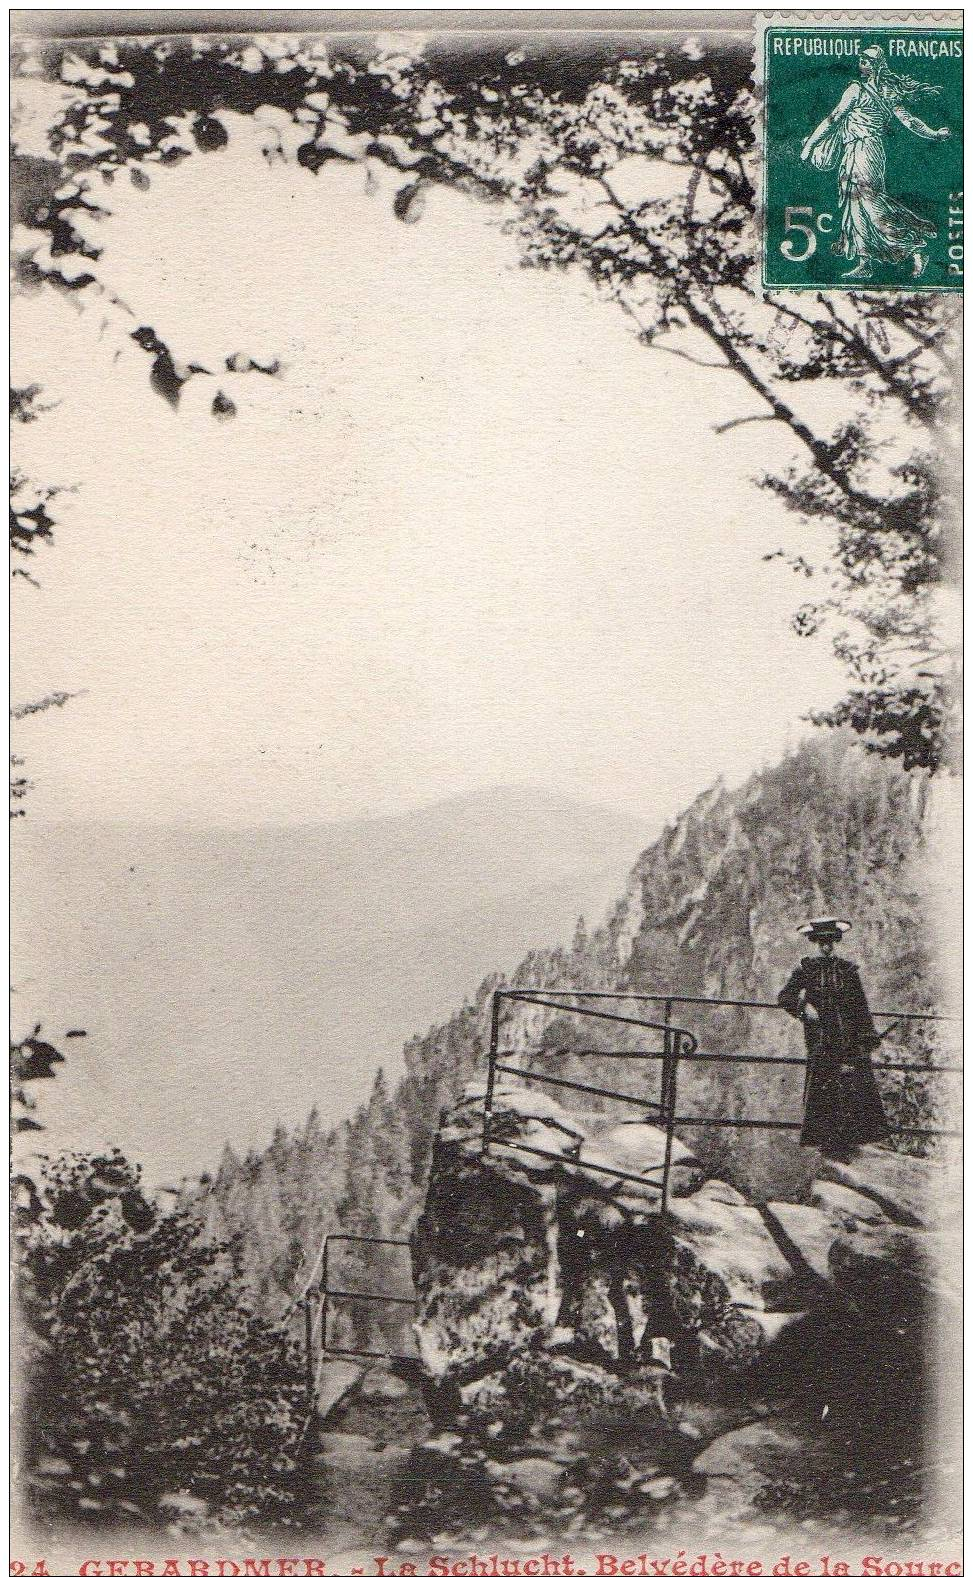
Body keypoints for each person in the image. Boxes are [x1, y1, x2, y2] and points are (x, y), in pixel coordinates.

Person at [800, 43, 951, 281]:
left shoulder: (862, 90)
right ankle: (865, 262)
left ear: (877, 65)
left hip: (865, 150)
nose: (862, 63)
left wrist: (934, 134)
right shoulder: (867, 90)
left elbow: (835, 118)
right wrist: (933, 134)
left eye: (867, 60)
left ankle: (914, 247)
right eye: (861, 59)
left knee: (868, 202)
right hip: (855, 150)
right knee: (854, 205)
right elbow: (837, 119)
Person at [777, 916, 889, 1162]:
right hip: (820, 1038)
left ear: (835, 942)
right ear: (815, 943)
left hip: (848, 1036)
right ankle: (827, 1144)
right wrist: (804, 1008)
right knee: (824, 1088)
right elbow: (784, 997)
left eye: (830, 942)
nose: (826, 947)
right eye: (821, 942)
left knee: (850, 1086)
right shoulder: (806, 969)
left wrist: (866, 1036)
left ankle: (849, 1142)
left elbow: (860, 1005)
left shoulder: (848, 969)